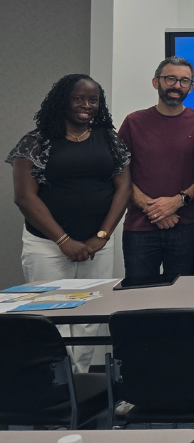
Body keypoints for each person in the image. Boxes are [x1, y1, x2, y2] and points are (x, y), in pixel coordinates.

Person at [7, 74, 131, 372]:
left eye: (93, 100)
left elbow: (123, 188)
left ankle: (81, 386)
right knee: (50, 317)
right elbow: (24, 197)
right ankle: (57, 393)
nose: (86, 105)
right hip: (47, 245)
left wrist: (102, 236)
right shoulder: (36, 141)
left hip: (97, 245)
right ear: (63, 100)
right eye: (79, 98)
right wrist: (64, 240)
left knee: (90, 319)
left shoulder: (109, 139)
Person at [117, 57, 194, 281]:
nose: (177, 86)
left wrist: (178, 201)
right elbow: (119, 173)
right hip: (140, 228)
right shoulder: (133, 122)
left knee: (184, 303)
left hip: (186, 227)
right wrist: (154, 210)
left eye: (184, 81)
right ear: (156, 82)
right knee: (138, 301)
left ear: (191, 87)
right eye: (170, 79)